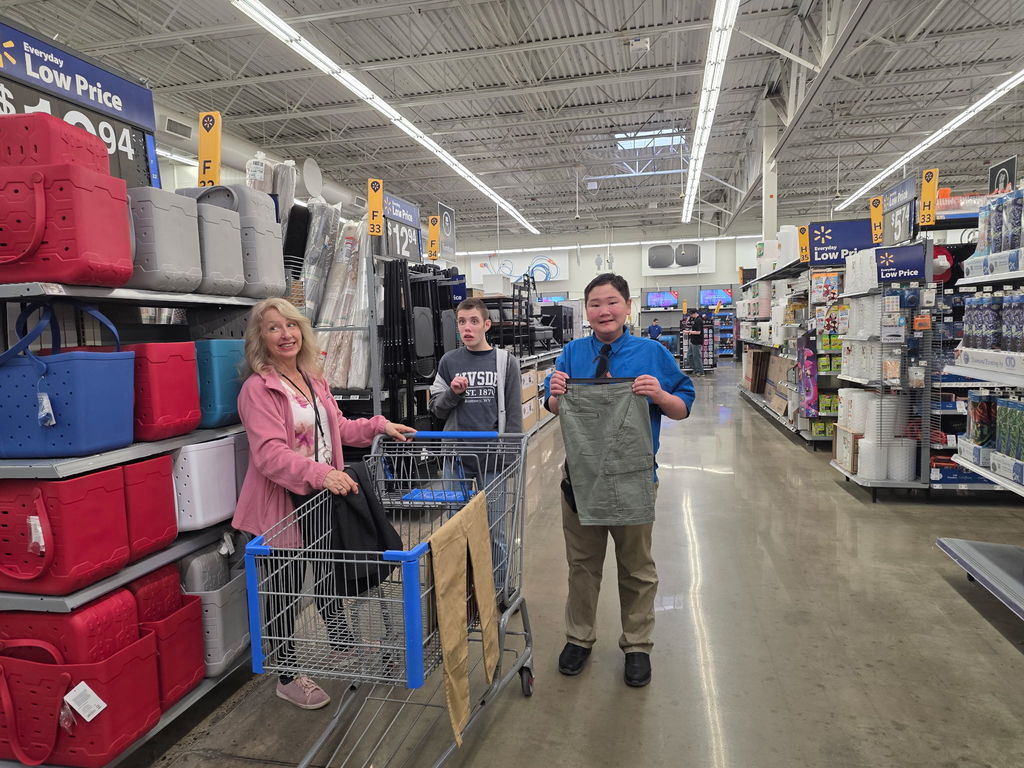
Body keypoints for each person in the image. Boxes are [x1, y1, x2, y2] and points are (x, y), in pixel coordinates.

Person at [232, 297, 415, 710]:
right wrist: (320, 473)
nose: (286, 334)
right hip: (283, 503)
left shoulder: (312, 379)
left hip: (322, 497)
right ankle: (288, 672)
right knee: (285, 591)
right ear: (260, 338)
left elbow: (338, 428)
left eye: (291, 325)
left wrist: (378, 425)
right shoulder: (258, 390)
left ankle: (339, 637)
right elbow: (269, 455)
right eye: (274, 328)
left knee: (331, 567)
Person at [543, 273, 695, 688]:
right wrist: (556, 393)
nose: (603, 311)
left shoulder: (652, 353)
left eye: (611, 302)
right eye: (594, 303)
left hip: (634, 478)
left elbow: (683, 405)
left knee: (637, 567)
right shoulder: (571, 354)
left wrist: (662, 396)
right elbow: (553, 406)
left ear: (627, 306)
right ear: (586, 310)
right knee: (582, 566)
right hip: (581, 481)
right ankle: (579, 638)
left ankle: (638, 645)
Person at [428, 297, 522, 601]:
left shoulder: (506, 362)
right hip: (455, 458)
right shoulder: (449, 362)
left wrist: (510, 457)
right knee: (453, 528)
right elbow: (437, 410)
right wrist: (453, 394)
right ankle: (456, 594)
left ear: (486, 325)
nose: (467, 328)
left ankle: (499, 591)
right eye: (461, 322)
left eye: (473, 321)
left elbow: (514, 415)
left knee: (495, 530)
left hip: (491, 460)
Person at [685, 308, 705, 376]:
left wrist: (689, 332)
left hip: (697, 342)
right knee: (689, 355)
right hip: (693, 341)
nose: (690, 316)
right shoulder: (695, 320)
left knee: (697, 357)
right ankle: (695, 369)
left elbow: (698, 332)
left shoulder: (698, 320)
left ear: (694, 313)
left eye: (691, 314)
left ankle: (700, 371)